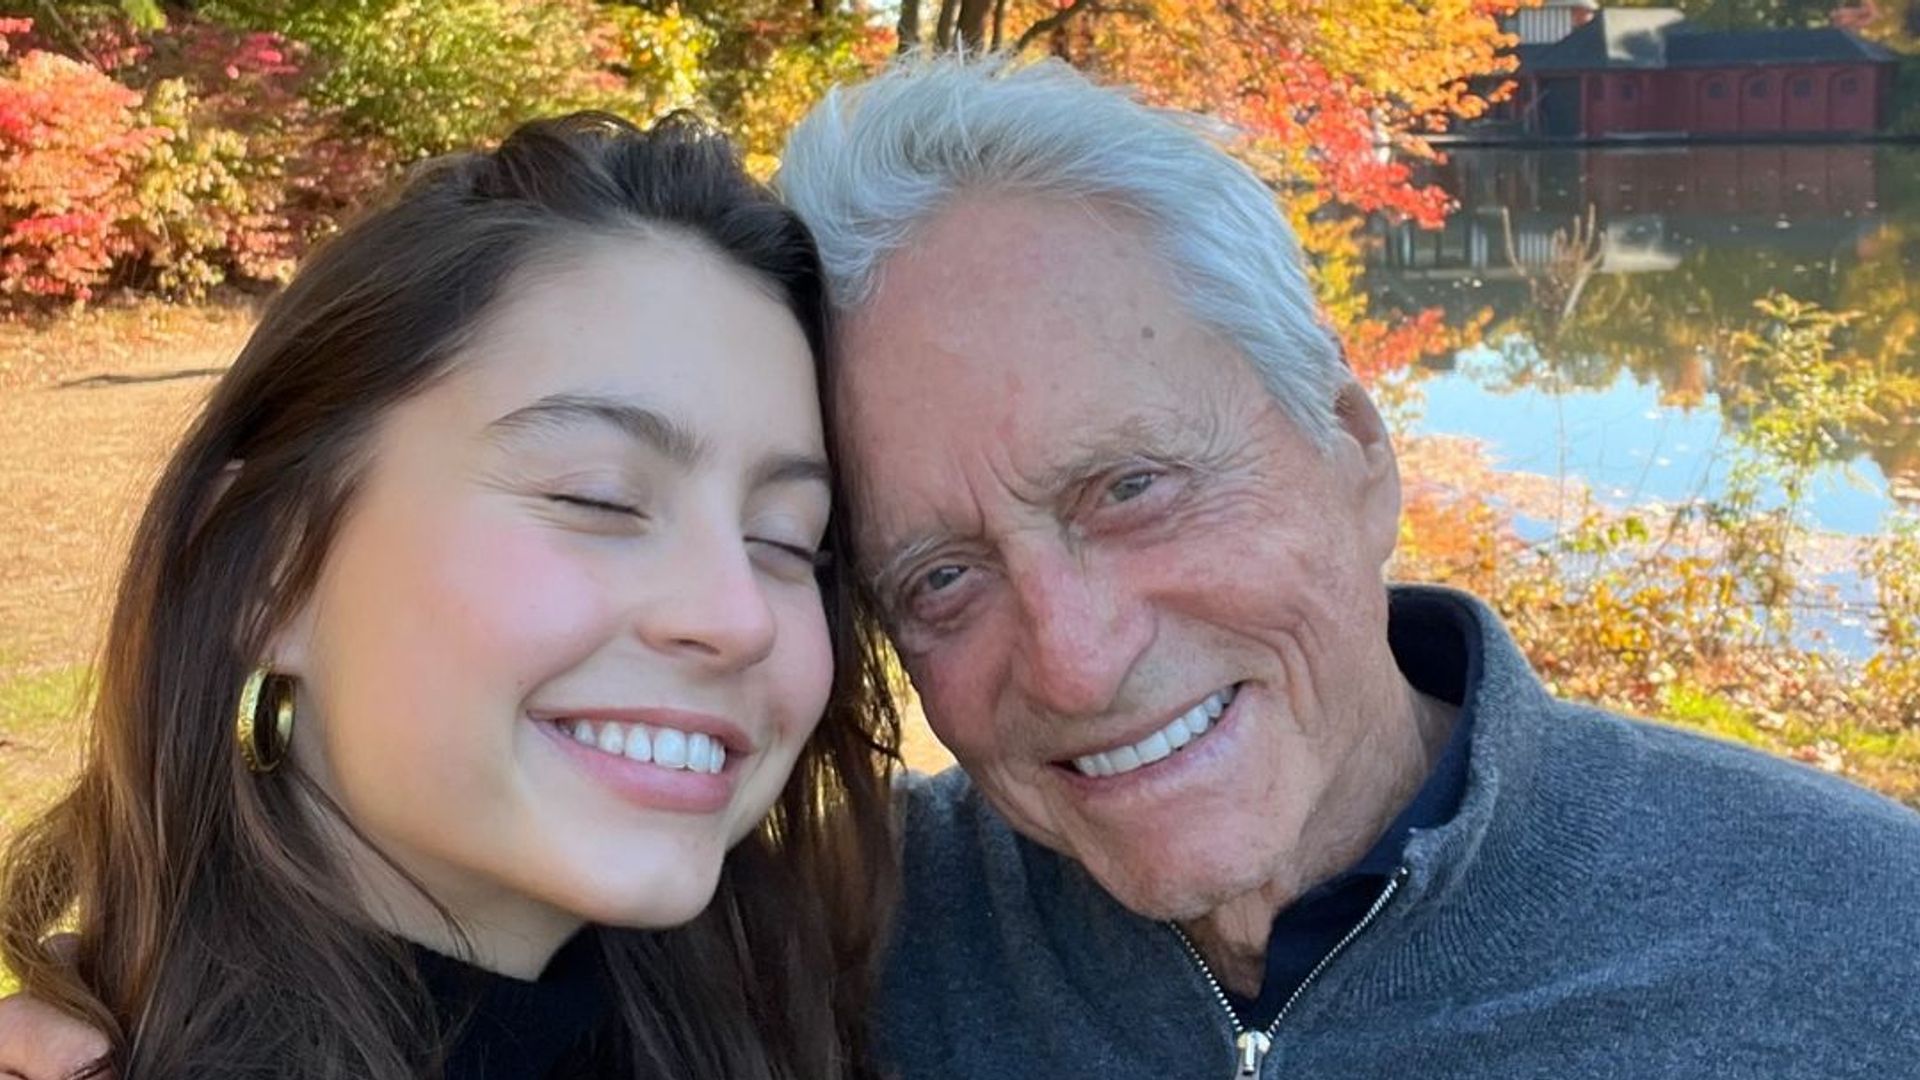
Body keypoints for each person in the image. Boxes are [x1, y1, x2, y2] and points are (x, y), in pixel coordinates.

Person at [10, 56, 1920, 1080]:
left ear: (1354, 451)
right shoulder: (854, 938)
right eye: (927, 576)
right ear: (263, 559)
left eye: (1136, 486)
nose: (1075, 660)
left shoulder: (1860, 950)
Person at [0, 112, 898, 1078]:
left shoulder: (816, 1012)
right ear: (269, 564)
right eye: (596, 497)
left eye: (786, 542)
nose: (738, 616)